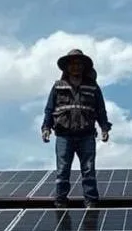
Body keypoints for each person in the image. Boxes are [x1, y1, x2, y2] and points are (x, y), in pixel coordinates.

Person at [41, 48, 112, 207]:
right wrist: (46, 128)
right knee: (62, 170)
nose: (76, 67)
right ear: (67, 67)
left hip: (86, 135)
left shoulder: (93, 86)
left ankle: (91, 201)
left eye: (79, 64)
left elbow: (101, 109)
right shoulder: (58, 86)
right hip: (63, 135)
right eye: (72, 64)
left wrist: (104, 128)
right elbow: (49, 109)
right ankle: (60, 201)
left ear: (84, 67)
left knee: (88, 170)